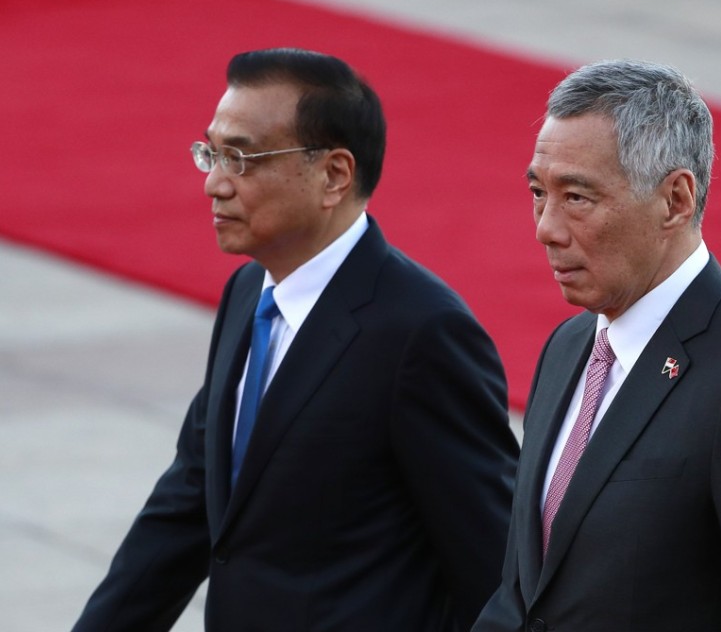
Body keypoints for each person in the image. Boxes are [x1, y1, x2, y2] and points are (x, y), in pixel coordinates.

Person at [72, 47, 519, 632]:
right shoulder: (247, 292)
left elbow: (491, 559)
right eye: (211, 153)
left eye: (241, 158)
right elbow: (190, 501)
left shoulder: (421, 332)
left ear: (334, 174)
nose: (214, 182)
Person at [473, 60, 721, 631]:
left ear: (676, 201)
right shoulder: (570, 345)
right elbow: (525, 592)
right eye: (539, 192)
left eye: (578, 197)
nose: (546, 228)